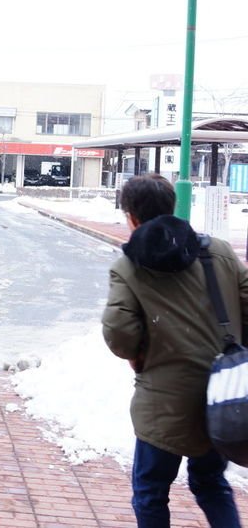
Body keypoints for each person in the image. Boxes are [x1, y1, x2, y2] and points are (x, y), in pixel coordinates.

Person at [102, 173, 247, 527]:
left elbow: (120, 333)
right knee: (211, 482)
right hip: (225, 396)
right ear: (173, 206)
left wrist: (139, 356)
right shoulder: (218, 252)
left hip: (163, 400)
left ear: (131, 216)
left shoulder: (129, 265)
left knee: (151, 491)